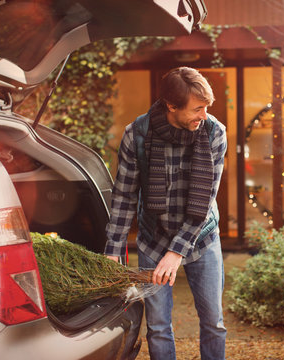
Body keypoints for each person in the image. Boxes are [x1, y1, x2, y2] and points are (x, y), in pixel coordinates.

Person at [104, 67, 227, 360]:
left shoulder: (214, 133)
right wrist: (113, 250)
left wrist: (176, 252)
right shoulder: (138, 134)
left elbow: (204, 202)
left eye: (207, 107)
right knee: (158, 327)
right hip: (154, 240)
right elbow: (124, 196)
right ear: (172, 106)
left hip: (202, 239)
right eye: (198, 109)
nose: (205, 115)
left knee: (214, 323)